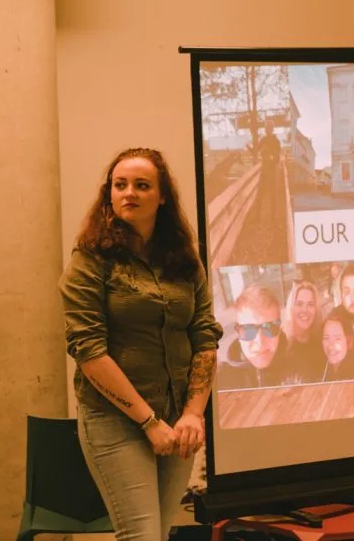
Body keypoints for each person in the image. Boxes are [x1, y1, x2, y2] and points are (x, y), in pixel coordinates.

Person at [60, 147, 223, 540]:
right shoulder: (91, 258)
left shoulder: (184, 259)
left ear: (162, 196)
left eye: (141, 185)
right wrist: (148, 421)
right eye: (120, 185)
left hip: (178, 417)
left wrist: (192, 415)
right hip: (116, 419)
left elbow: (205, 336)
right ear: (109, 194)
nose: (128, 192)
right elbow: (88, 350)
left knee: (160, 533)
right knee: (142, 536)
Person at [217, 284, 301, 389]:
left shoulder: (297, 373)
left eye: (270, 328)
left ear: (279, 330)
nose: (260, 343)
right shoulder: (221, 380)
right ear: (238, 333)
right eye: (248, 330)